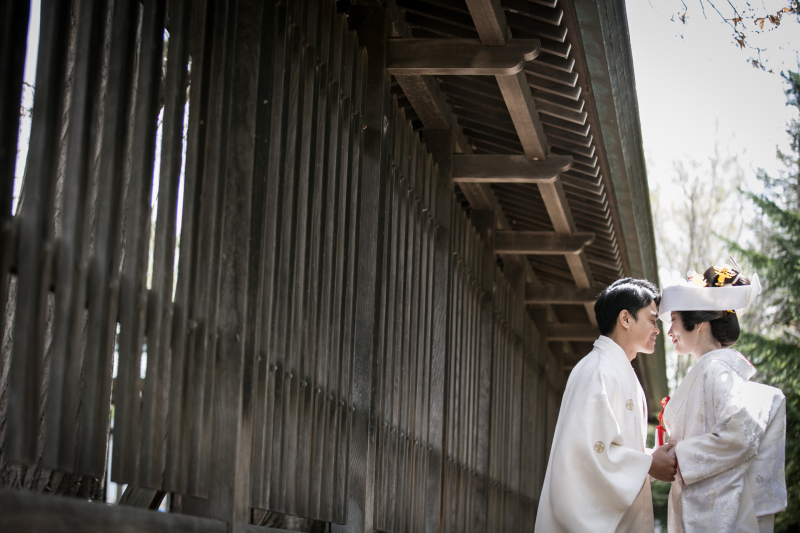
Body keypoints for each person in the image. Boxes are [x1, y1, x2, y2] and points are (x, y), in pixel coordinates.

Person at [535, 278, 678, 532]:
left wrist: (649, 460)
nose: (657, 330)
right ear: (625, 319)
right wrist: (648, 463)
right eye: (652, 320)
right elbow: (583, 455)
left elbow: (606, 448)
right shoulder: (599, 370)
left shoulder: (616, 369)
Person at [659, 263, 786, 533]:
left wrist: (680, 457)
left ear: (700, 324)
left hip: (716, 515)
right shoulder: (712, 369)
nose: (669, 332)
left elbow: (740, 433)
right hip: (705, 504)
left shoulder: (716, 369)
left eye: (673, 321)